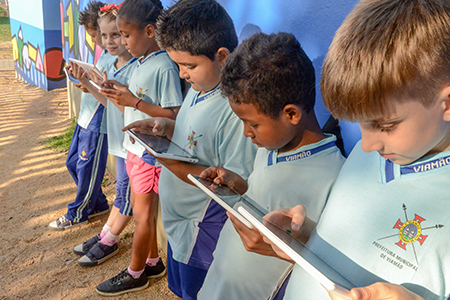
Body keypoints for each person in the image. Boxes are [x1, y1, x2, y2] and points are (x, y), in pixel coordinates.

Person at [239, 0, 450, 299]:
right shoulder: (368, 154)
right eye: (360, 125)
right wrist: (304, 237)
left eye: (386, 125)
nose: (367, 144)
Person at [196, 32, 346, 300]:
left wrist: (280, 246)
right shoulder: (272, 146)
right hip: (220, 285)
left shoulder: (335, 179)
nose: (246, 133)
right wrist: (241, 187)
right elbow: (267, 194)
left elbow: (325, 264)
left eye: (253, 124)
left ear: (291, 114)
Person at [124, 1, 256, 298]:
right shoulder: (200, 89)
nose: (182, 74)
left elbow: (233, 185)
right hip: (179, 224)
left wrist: (166, 161)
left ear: (222, 57)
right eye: (178, 65)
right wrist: (165, 126)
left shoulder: (235, 110)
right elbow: (194, 134)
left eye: (189, 66)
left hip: (203, 230)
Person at [94, 0, 183, 296]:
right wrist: (122, 94)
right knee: (144, 212)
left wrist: (133, 101)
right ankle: (153, 262)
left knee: (144, 216)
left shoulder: (165, 66)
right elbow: (139, 100)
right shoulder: (143, 61)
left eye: (125, 35)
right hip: (136, 149)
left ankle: (136, 273)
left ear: (148, 30)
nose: (122, 42)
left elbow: (174, 115)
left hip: (150, 153)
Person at [68, 3, 138, 267]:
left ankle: (110, 239)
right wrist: (87, 82)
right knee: (121, 190)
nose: (109, 41)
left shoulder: (135, 67)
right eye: (105, 36)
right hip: (119, 140)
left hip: (132, 143)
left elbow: (126, 105)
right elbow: (107, 102)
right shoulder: (113, 61)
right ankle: (106, 233)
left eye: (116, 35)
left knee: (125, 192)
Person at [49, 0, 112, 230]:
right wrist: (84, 81)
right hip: (85, 116)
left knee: (87, 167)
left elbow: (110, 92)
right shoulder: (104, 54)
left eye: (96, 35)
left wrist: (91, 85)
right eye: (97, 36)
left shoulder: (114, 56)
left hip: (98, 120)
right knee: (73, 163)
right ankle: (98, 203)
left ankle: (78, 211)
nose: (97, 40)